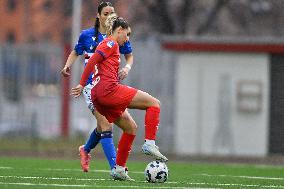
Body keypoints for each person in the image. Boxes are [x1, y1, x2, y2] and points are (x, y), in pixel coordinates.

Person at [71, 17, 168, 181]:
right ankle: (150, 143)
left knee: (130, 128)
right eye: (127, 34)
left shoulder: (111, 46)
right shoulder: (111, 43)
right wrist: (81, 84)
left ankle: (119, 169)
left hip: (98, 97)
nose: (127, 38)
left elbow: (96, 62)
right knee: (154, 103)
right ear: (119, 30)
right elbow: (92, 60)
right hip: (108, 91)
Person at [61, 2, 133, 173]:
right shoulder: (87, 35)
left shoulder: (118, 34)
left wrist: (126, 68)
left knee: (109, 125)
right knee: (106, 125)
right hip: (91, 88)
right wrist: (67, 66)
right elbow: (75, 52)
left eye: (112, 13)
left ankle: (85, 149)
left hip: (111, 86)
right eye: (106, 13)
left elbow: (129, 56)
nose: (109, 16)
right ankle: (115, 167)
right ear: (99, 16)